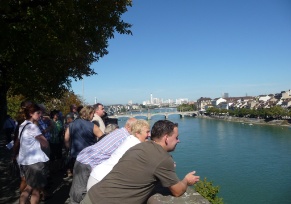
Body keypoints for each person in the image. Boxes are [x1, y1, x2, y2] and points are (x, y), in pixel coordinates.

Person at [81, 120, 200, 204]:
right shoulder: (163, 158)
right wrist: (186, 180)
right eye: (176, 137)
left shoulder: (139, 146)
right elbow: (177, 191)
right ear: (166, 138)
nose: (178, 141)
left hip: (92, 196)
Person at [69, 117, 137, 204]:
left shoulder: (118, 132)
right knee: (80, 193)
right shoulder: (126, 137)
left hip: (85, 157)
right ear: (128, 127)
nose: (137, 131)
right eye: (136, 128)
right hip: (89, 161)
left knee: (77, 189)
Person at [87, 119, 150, 190]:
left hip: (97, 175)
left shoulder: (129, 139)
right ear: (137, 133)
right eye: (147, 132)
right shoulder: (136, 145)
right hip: (102, 179)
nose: (149, 135)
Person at [18, 103, 50, 204]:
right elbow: (45, 143)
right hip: (35, 162)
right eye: (38, 113)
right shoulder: (32, 127)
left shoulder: (22, 125)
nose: (40, 115)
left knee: (28, 188)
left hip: (24, 161)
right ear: (31, 113)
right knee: (36, 190)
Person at [64, 106, 103, 180]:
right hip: (89, 157)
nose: (94, 116)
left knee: (77, 178)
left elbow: (66, 139)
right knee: (88, 178)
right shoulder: (92, 126)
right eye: (93, 114)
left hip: (75, 156)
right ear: (89, 113)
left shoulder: (71, 124)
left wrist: (69, 148)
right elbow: (103, 138)